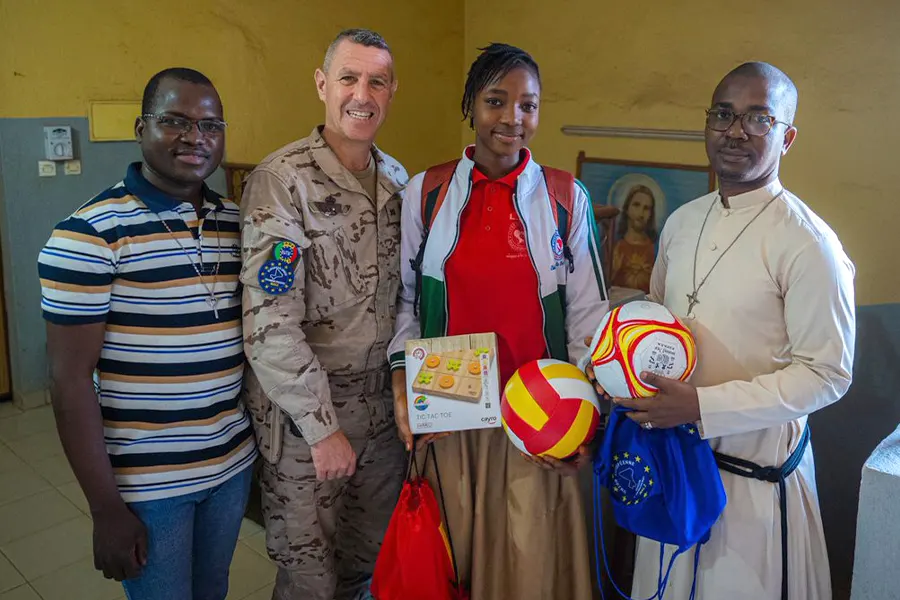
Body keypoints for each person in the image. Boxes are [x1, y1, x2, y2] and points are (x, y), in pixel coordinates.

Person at [607, 62, 855, 599]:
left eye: (758, 119)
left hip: (752, 486)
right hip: (671, 467)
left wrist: (703, 406)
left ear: (786, 137)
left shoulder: (808, 243)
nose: (736, 130)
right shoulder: (682, 221)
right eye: (724, 114)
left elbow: (828, 374)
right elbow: (655, 315)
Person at [387, 43, 609, 600]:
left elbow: (588, 316)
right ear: (470, 106)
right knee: (457, 559)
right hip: (450, 408)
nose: (513, 118)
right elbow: (405, 301)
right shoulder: (426, 193)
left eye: (528, 105)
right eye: (496, 101)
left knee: (531, 565)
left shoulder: (564, 197)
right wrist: (400, 381)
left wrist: (588, 416)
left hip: (539, 415)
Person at [38, 68, 257, 600]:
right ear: (141, 128)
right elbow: (69, 383)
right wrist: (106, 508)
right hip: (149, 483)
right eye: (175, 121)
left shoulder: (238, 221)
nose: (195, 137)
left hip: (231, 463)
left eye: (210, 124)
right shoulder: (87, 236)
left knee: (213, 591)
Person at [239, 28, 408, 600]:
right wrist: (322, 427)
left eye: (376, 81)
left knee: (371, 565)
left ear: (390, 91)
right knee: (309, 577)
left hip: (383, 414)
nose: (362, 94)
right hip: (307, 421)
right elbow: (269, 324)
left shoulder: (400, 183)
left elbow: (409, 298)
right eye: (348, 78)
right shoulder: (282, 182)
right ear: (322, 85)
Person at [610, 184, 658, 292]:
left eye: (646, 208)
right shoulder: (614, 247)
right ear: (627, 208)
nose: (641, 213)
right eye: (636, 205)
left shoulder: (655, 249)